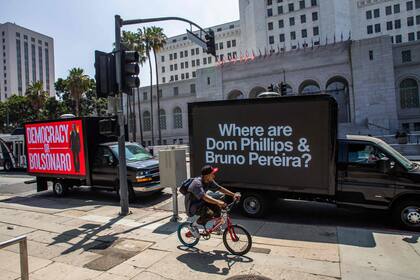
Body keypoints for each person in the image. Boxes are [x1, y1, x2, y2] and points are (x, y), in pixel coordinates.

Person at [186, 165, 241, 236]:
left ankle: (216, 226)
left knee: (217, 207)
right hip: (193, 206)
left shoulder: (209, 181)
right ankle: (192, 226)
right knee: (209, 214)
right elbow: (205, 197)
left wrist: (233, 194)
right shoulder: (197, 183)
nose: (214, 176)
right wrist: (218, 202)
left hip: (202, 202)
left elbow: (219, 188)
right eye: (212, 174)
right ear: (207, 175)